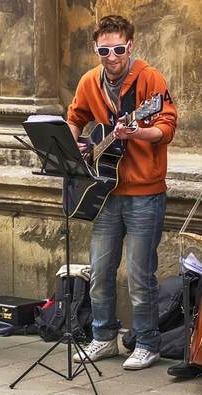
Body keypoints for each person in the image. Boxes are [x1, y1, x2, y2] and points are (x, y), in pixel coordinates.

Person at [66, 15, 177, 370]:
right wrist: (79, 148)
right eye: (103, 50)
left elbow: (166, 128)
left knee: (139, 275)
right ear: (96, 49)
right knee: (99, 271)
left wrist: (136, 133)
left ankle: (147, 343)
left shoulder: (150, 79)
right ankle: (103, 338)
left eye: (118, 49)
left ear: (129, 47)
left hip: (145, 191)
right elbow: (74, 117)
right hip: (105, 189)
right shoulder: (89, 82)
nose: (111, 56)